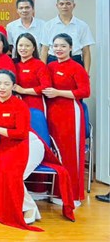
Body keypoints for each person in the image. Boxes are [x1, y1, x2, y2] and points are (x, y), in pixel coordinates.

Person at [0, 70, 45, 231]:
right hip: (6, 145)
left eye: (6, 84)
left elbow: (21, 133)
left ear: (13, 86)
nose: (2, 87)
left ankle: (30, 208)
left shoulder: (20, 105)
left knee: (13, 174)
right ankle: (4, 207)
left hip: (28, 143)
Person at [44, 33, 90, 204]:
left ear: (71, 48)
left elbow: (85, 92)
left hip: (70, 113)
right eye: (55, 46)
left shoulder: (77, 68)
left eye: (63, 46)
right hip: (51, 112)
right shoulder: (49, 66)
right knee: (53, 152)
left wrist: (58, 93)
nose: (59, 49)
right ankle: (54, 191)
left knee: (69, 153)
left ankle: (71, 195)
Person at [41, 0, 95, 73]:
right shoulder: (48, 25)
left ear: (74, 5)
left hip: (75, 60)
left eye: (68, 4)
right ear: (57, 6)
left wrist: (86, 73)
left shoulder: (82, 25)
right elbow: (44, 50)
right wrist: (42, 72)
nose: (64, 6)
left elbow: (86, 51)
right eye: (61, 4)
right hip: (53, 61)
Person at [13, 33, 51, 111]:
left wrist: (23, 91)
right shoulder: (13, 64)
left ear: (33, 48)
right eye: (20, 45)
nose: (23, 48)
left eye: (27, 46)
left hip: (35, 104)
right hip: (16, 104)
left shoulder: (39, 65)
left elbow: (46, 87)